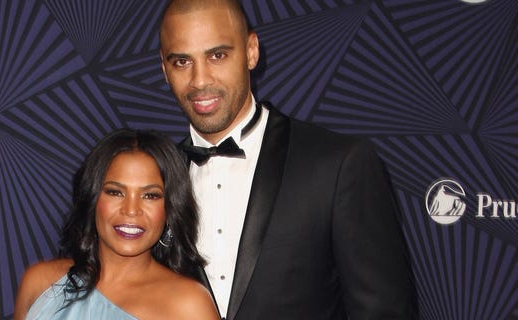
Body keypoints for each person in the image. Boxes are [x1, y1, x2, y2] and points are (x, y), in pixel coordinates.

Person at [158, 0, 418, 319]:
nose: (199, 80)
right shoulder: (154, 178)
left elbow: (384, 311)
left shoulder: (337, 164)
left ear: (251, 51)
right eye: (181, 61)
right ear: (164, 68)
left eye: (217, 55)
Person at [14, 129, 220, 319]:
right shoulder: (40, 283)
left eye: (150, 195)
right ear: (93, 199)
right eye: (115, 192)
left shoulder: (189, 305)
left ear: (170, 210)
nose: (131, 210)